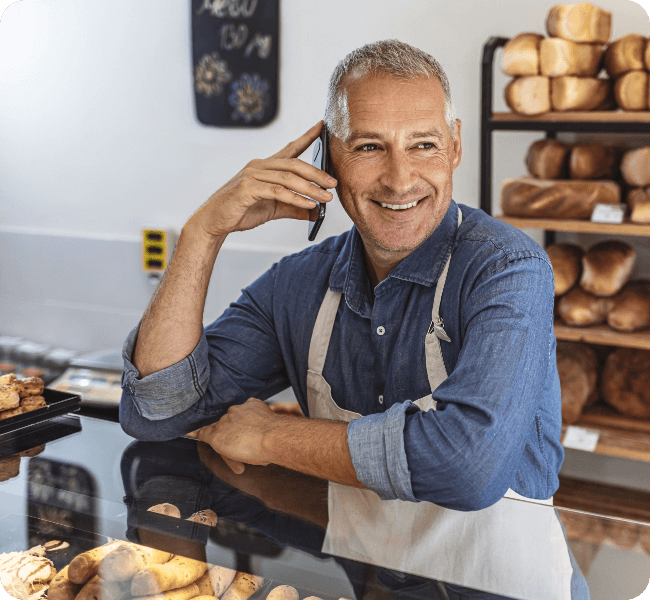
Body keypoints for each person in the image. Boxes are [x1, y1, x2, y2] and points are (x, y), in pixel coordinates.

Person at [120, 40, 590, 598]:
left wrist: (271, 435)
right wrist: (203, 234)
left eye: (423, 145)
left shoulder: (507, 269)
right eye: (369, 147)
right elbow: (158, 410)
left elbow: (469, 466)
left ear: (456, 146)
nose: (399, 178)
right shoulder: (298, 284)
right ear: (328, 157)